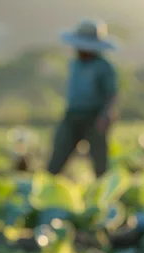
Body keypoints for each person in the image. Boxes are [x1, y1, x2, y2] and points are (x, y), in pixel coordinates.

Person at [47, 19, 118, 178]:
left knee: (99, 160)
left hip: (94, 116)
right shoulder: (75, 64)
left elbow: (111, 94)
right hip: (72, 114)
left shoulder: (104, 67)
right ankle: (47, 184)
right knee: (58, 154)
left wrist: (106, 114)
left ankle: (102, 191)